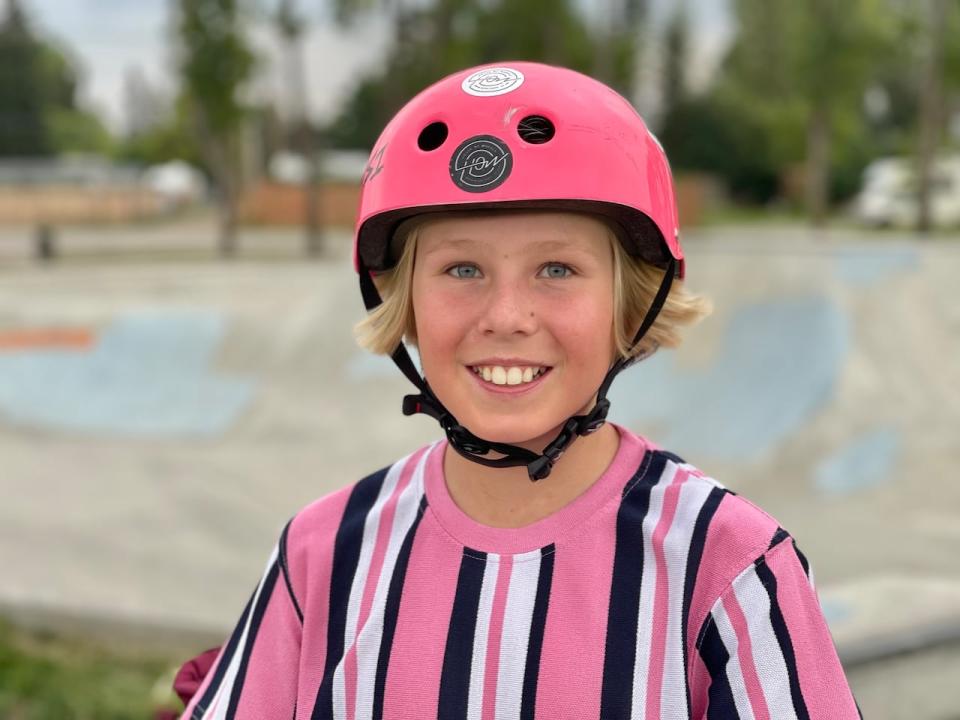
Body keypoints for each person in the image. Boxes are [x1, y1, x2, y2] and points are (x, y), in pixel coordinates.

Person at [178, 62, 861, 720]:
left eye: (557, 268)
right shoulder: (321, 555)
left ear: (633, 303)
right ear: (404, 300)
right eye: (462, 268)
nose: (506, 315)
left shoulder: (728, 567)